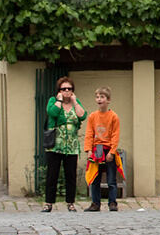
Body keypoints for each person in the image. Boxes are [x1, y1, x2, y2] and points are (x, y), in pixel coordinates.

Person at [43, 76, 86, 213]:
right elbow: (52, 113)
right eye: (64, 89)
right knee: (52, 175)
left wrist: (74, 102)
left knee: (70, 176)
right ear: (59, 90)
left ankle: (70, 203)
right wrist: (60, 100)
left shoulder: (75, 102)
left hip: (71, 145)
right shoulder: (53, 101)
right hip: (56, 145)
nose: (67, 91)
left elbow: (82, 115)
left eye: (69, 89)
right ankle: (49, 202)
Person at [84, 87, 120, 212]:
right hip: (96, 149)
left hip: (108, 148)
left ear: (108, 100)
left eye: (102, 97)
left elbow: (115, 135)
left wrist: (112, 151)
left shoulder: (113, 116)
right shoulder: (92, 116)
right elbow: (89, 133)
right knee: (95, 178)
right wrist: (88, 150)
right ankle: (95, 203)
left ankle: (112, 202)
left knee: (111, 179)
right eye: (97, 97)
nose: (99, 99)